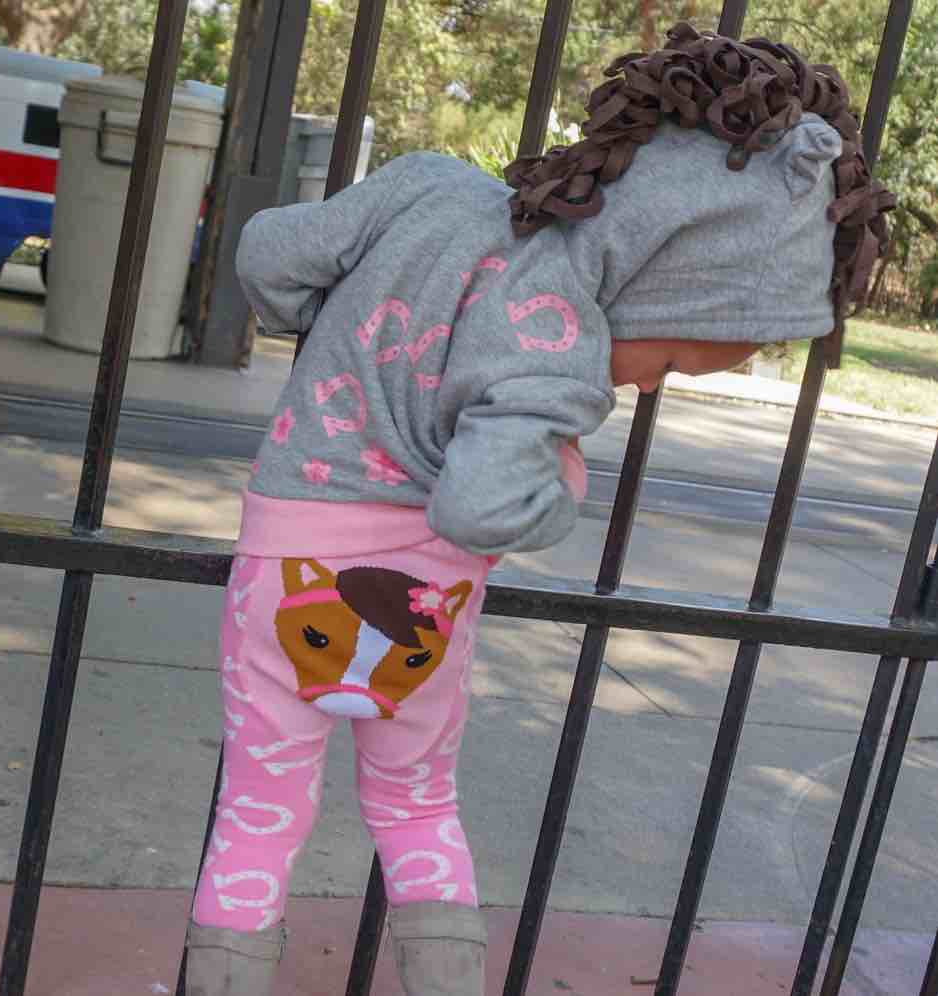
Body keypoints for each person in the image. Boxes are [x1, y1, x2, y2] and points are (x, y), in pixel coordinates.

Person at [183, 22, 892, 996]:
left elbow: (272, 252)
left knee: (259, 810)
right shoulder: (559, 331)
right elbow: (483, 504)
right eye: (673, 359)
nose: (649, 385)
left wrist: (335, 323)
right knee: (415, 805)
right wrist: (562, 480)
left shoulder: (425, 186)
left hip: (285, 576)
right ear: (658, 276)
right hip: (419, 614)